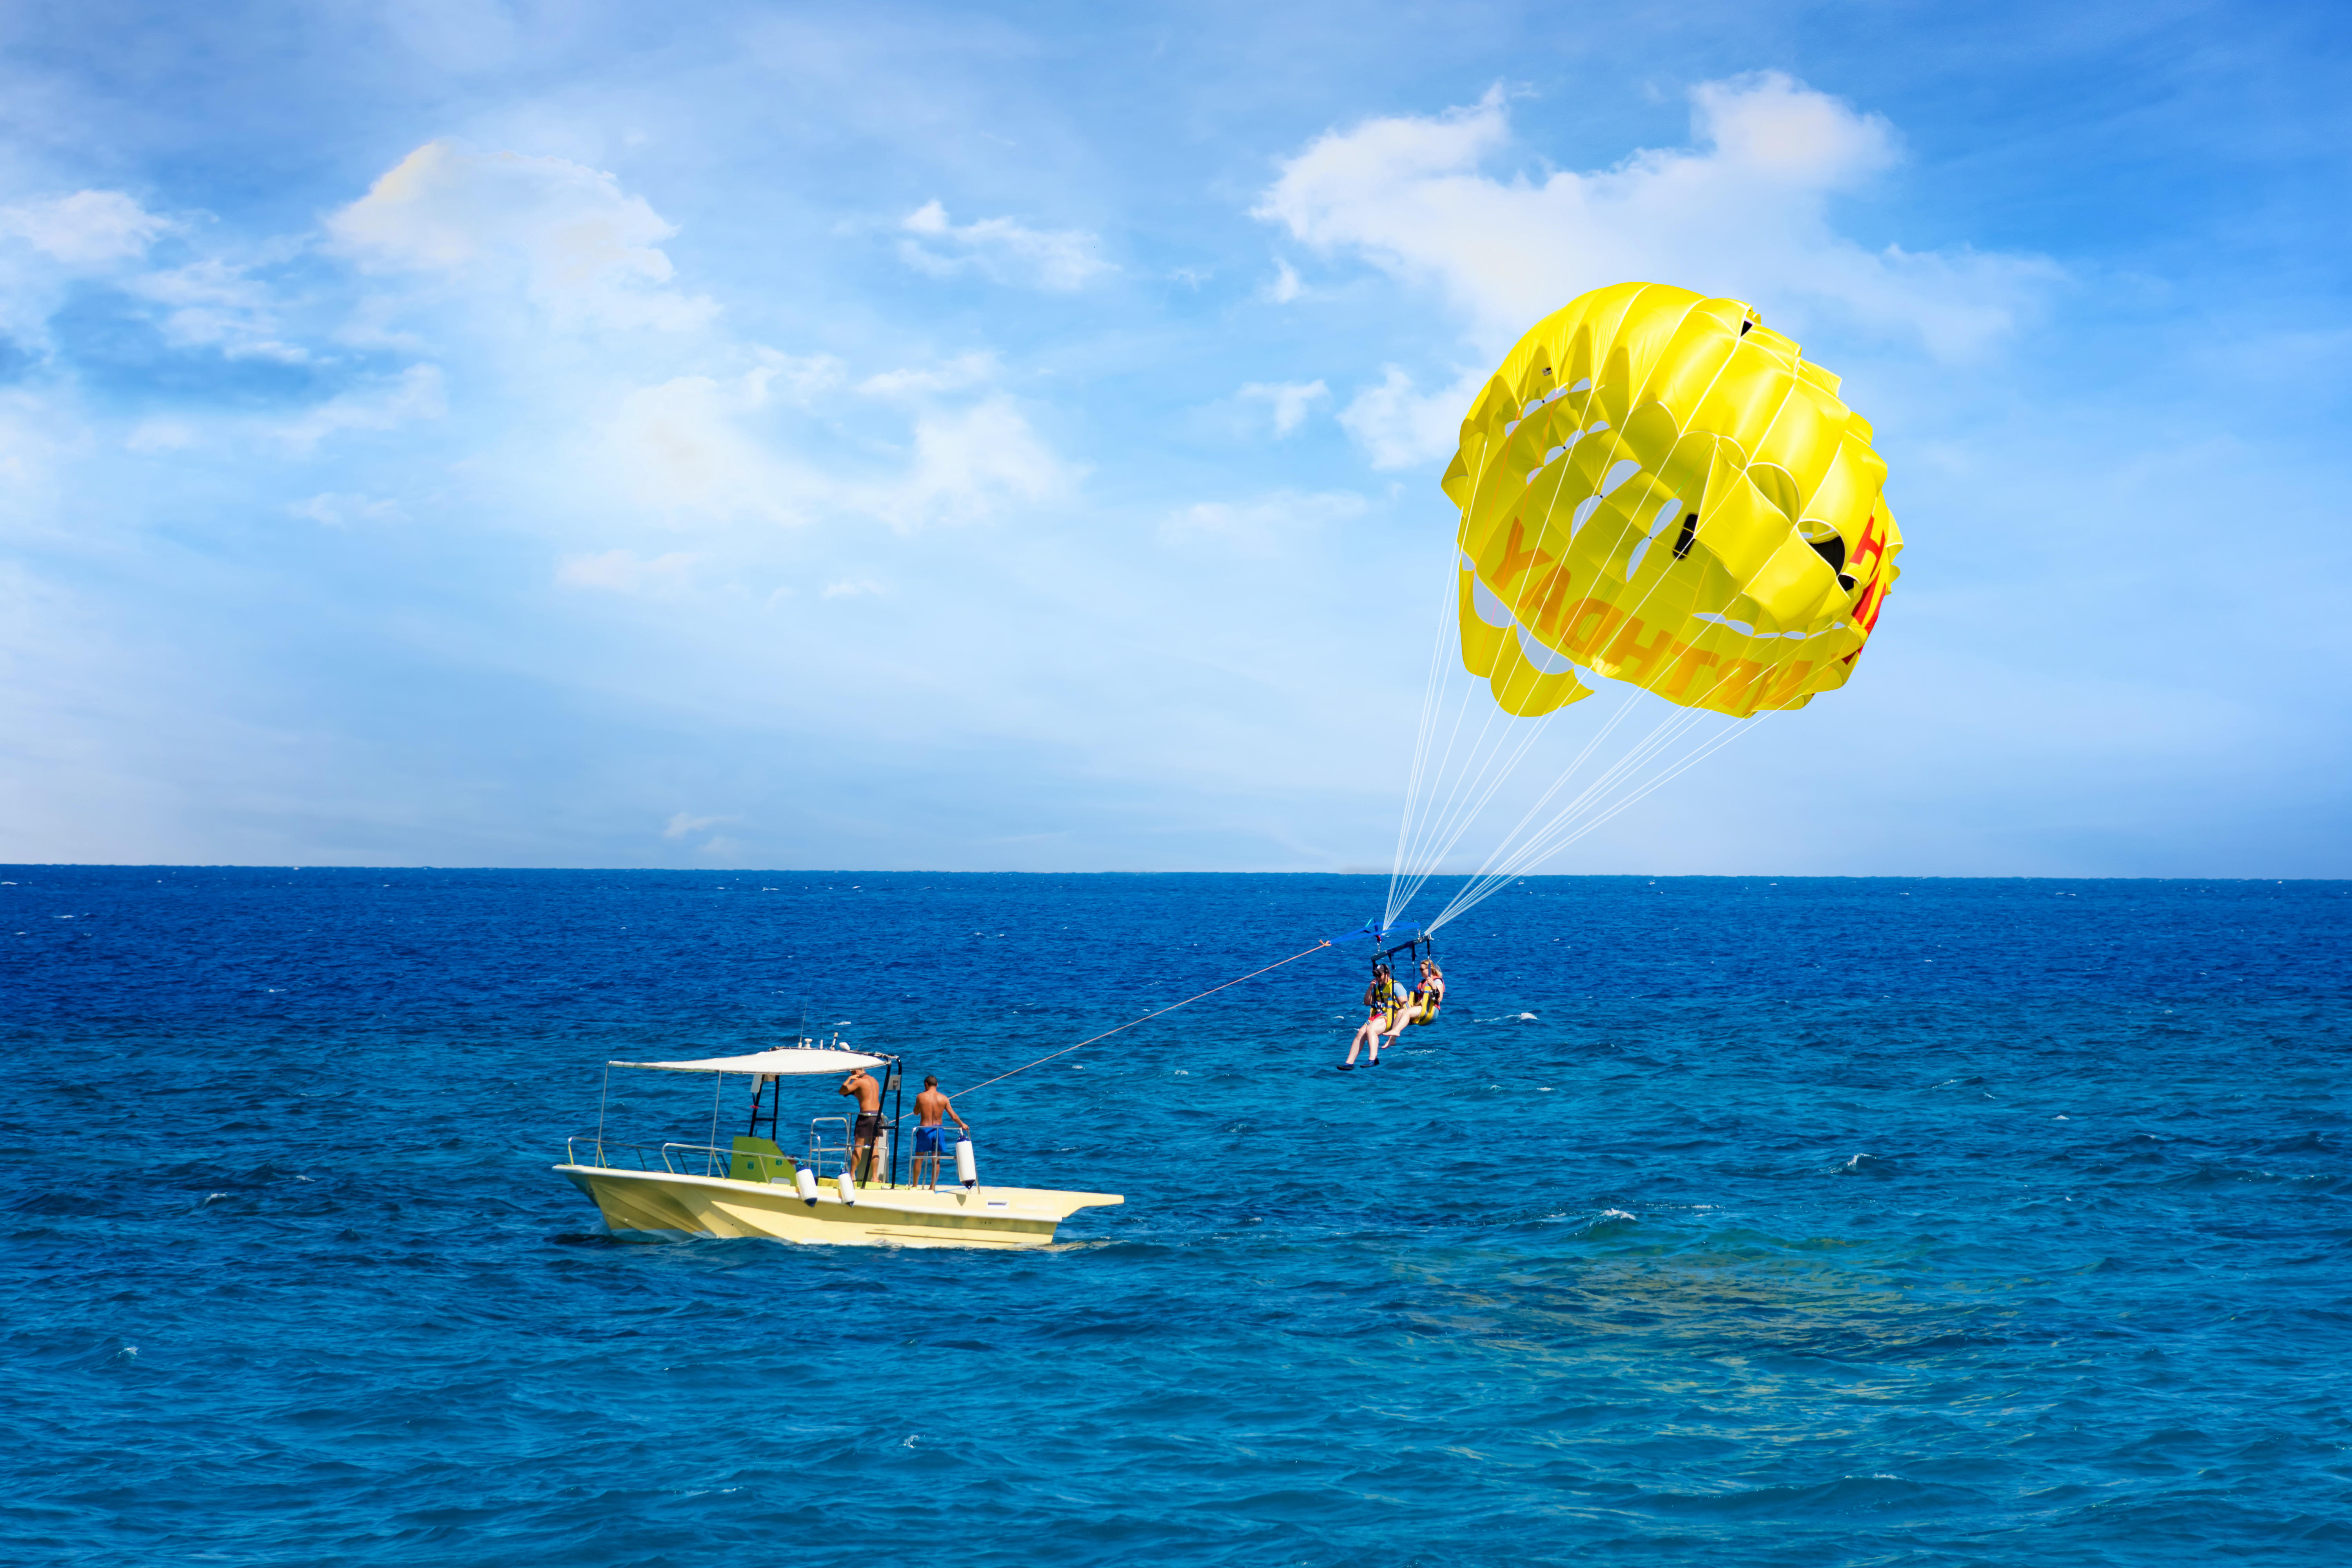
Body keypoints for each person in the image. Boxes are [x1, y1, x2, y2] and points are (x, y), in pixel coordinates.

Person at [911, 1075, 969, 1188]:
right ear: (937, 1085)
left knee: (919, 1160)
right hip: (939, 1131)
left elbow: (916, 1112)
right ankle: (932, 1187)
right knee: (936, 1160)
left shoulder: (921, 1097)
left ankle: (915, 1185)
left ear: (926, 1085)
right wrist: (962, 1124)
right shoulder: (944, 1098)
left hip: (925, 1130)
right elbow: (953, 1116)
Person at [1340, 962, 1399, 1070]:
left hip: (1389, 1017)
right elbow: (1367, 1003)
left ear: (1387, 974)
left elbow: (1405, 1004)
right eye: (1376, 975)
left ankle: (1374, 1059)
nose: (1378, 978)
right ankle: (1350, 1063)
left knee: (1371, 1030)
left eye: (1380, 975)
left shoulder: (1396, 986)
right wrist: (1370, 989)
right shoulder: (1377, 989)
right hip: (1377, 1016)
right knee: (1361, 1032)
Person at [838, 1066, 886, 1183]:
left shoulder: (859, 1081)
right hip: (878, 1115)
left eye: (852, 1072)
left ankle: (851, 1175)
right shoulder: (875, 1081)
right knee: (874, 1146)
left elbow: (842, 1091)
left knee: (859, 1146)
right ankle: (875, 1177)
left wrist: (849, 1079)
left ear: (856, 1072)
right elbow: (866, 1095)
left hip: (866, 1116)